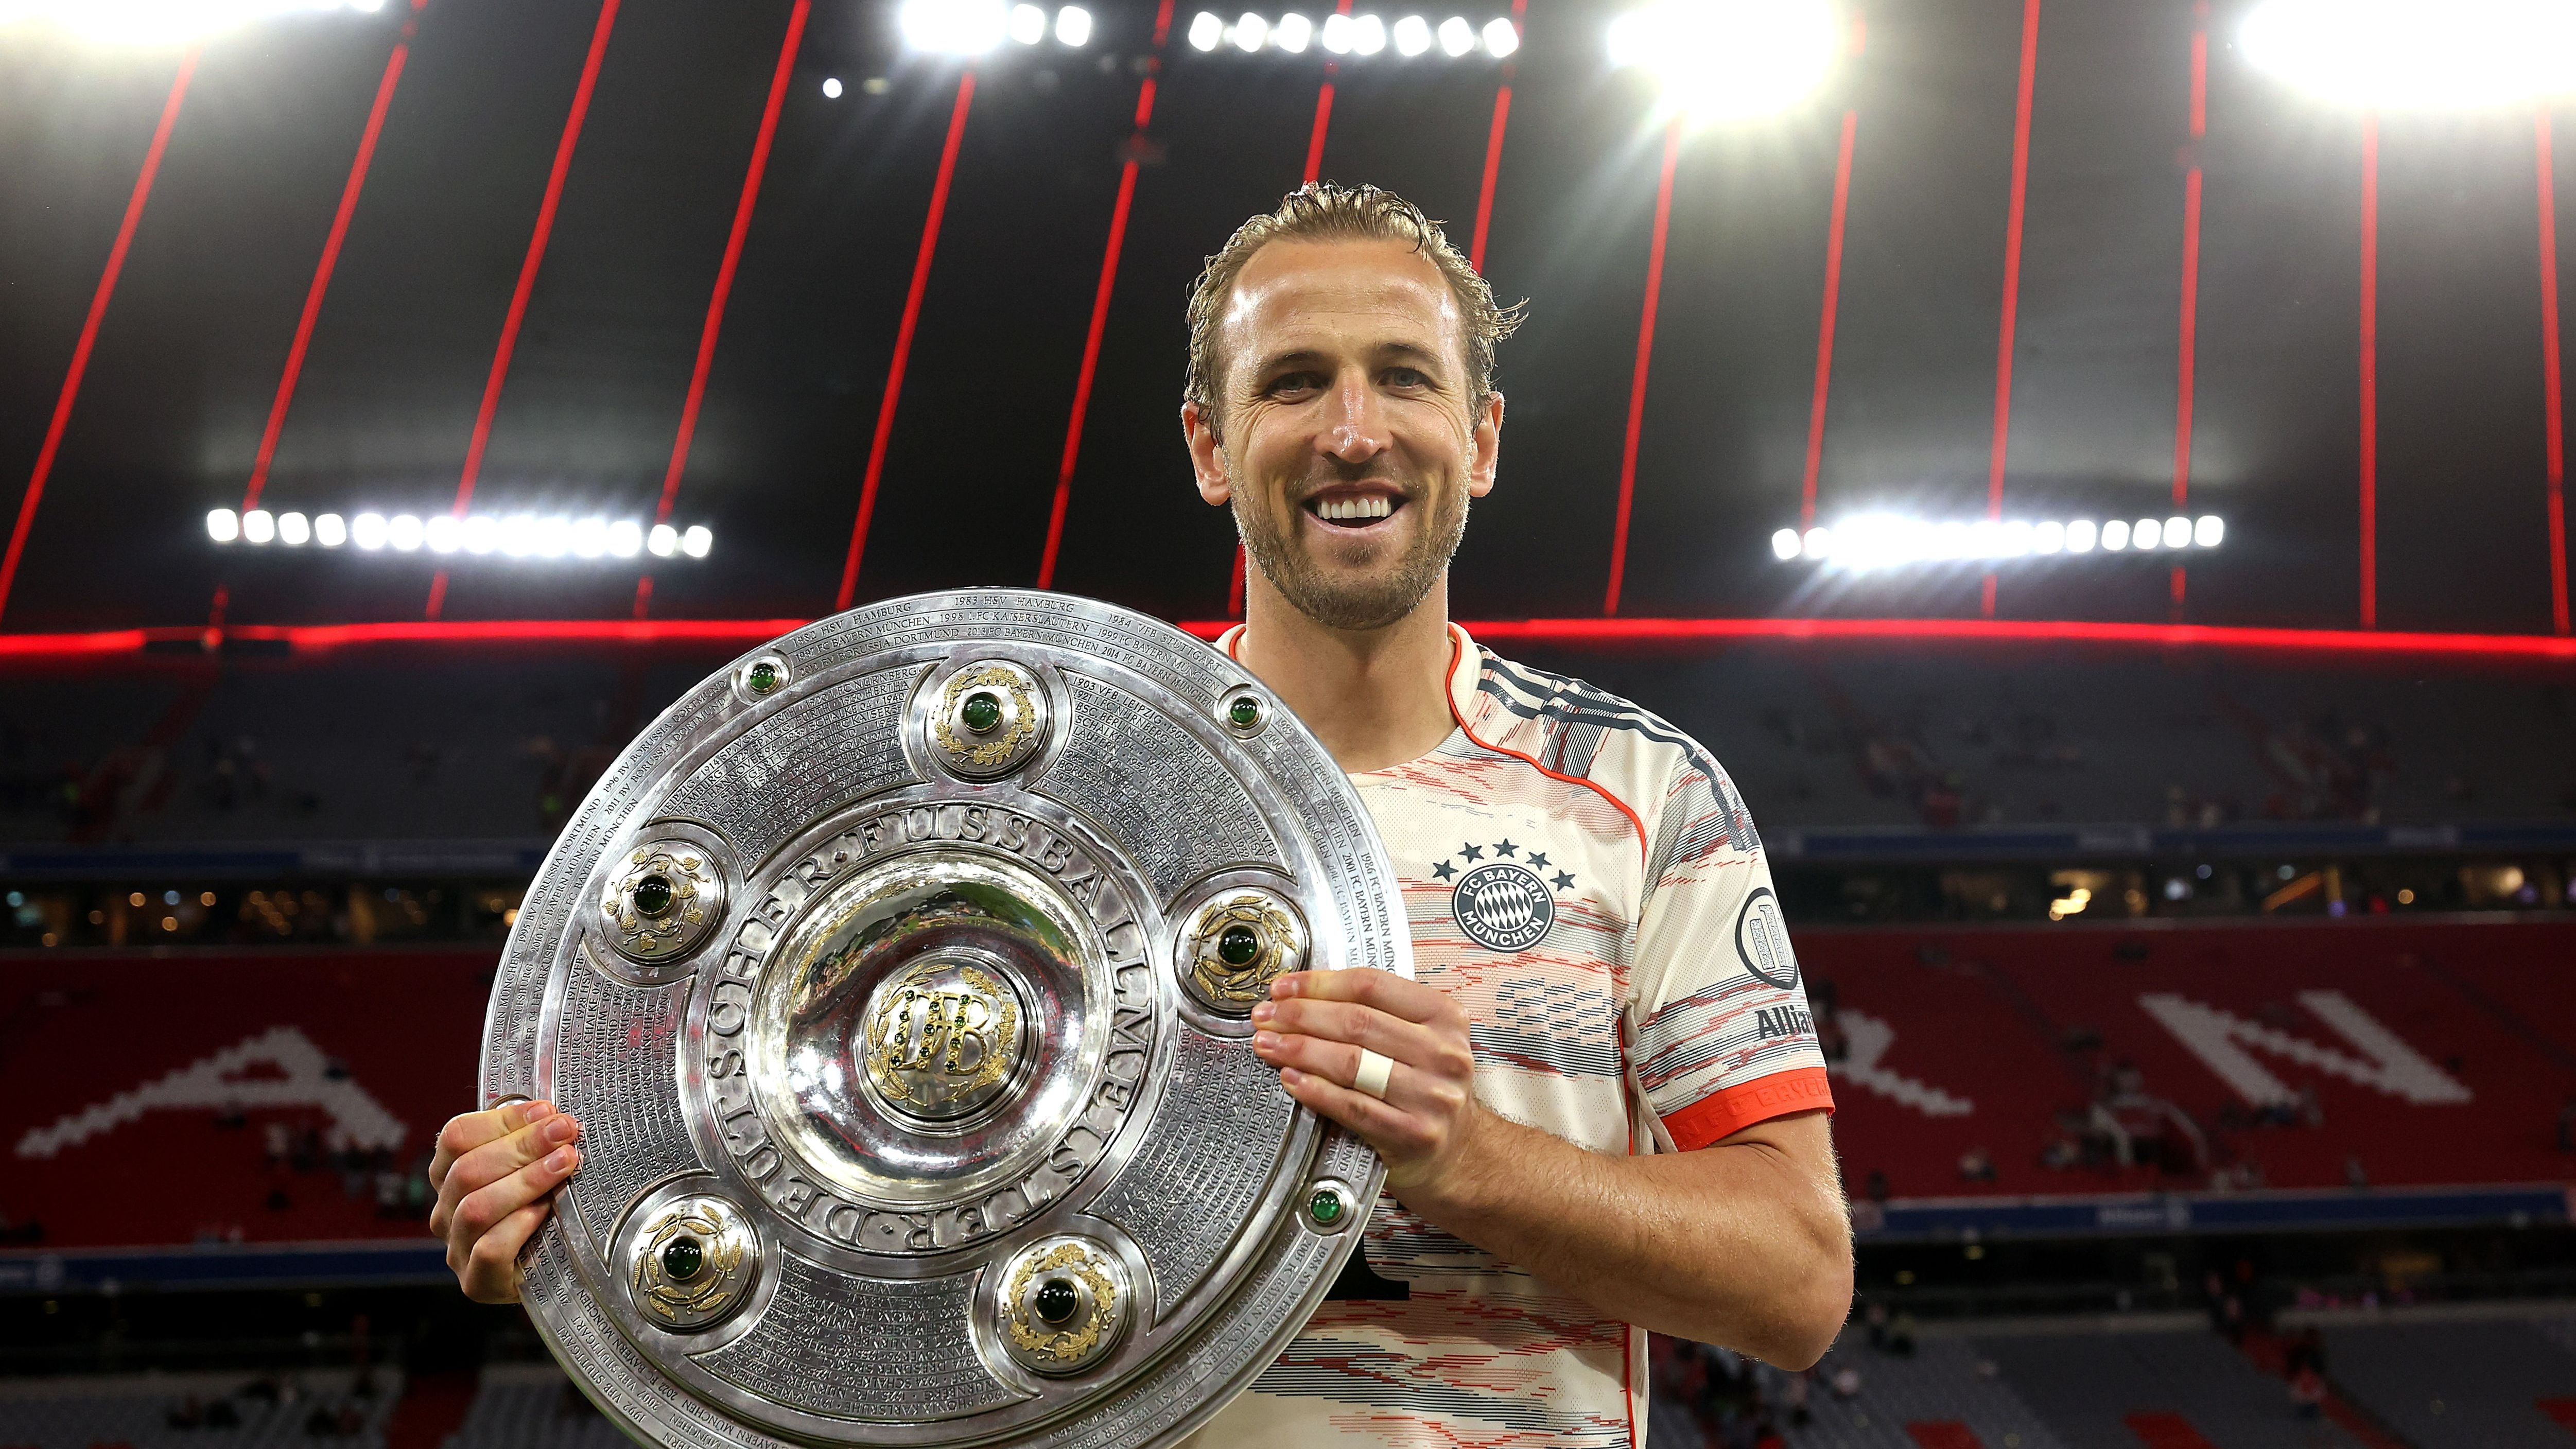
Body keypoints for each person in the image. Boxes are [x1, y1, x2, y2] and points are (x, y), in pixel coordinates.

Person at [428, 182, 1850, 1446]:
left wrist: (1470, 1162)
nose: (1354, 432)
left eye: (1403, 380)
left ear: (1478, 439)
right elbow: (810, 1197)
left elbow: (1795, 1282)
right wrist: (566, 1218)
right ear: (1210, 447)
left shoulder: (1636, 792)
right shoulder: (1049, 776)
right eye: (1293, 384)